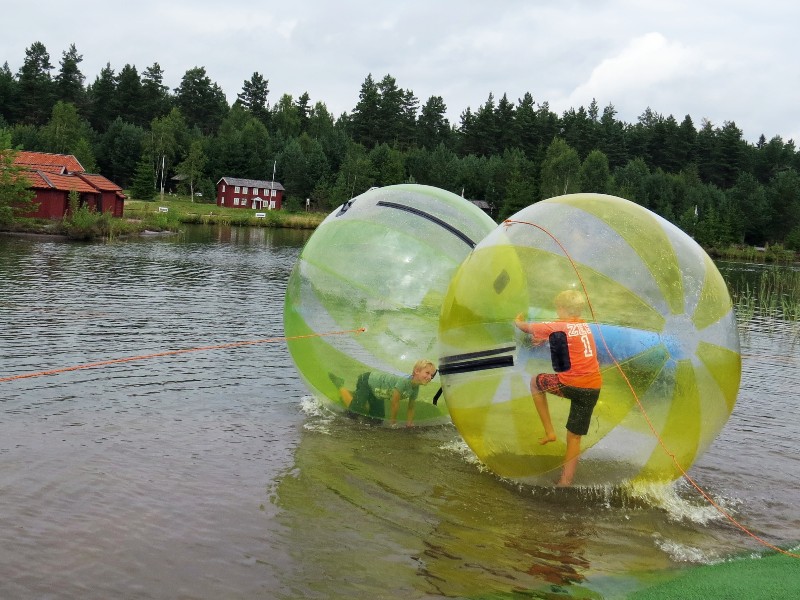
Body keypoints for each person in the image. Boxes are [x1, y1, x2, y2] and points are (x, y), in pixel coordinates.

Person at [514, 290, 602, 486]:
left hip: (571, 385)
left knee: (535, 382)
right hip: (592, 388)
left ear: (561, 308)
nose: (556, 312)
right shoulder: (584, 325)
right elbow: (567, 338)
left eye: (557, 309)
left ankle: (549, 432)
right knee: (574, 437)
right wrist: (546, 338)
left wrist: (517, 321)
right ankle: (565, 481)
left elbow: (526, 328)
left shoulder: (558, 326)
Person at [329, 359, 437, 427]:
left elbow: (411, 407)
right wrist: (393, 422)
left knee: (377, 420)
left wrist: (409, 423)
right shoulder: (404, 382)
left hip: (377, 393)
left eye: (431, 375)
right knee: (353, 413)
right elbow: (394, 402)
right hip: (367, 381)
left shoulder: (415, 388)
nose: (429, 377)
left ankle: (359, 398)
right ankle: (340, 385)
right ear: (417, 371)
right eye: (427, 373)